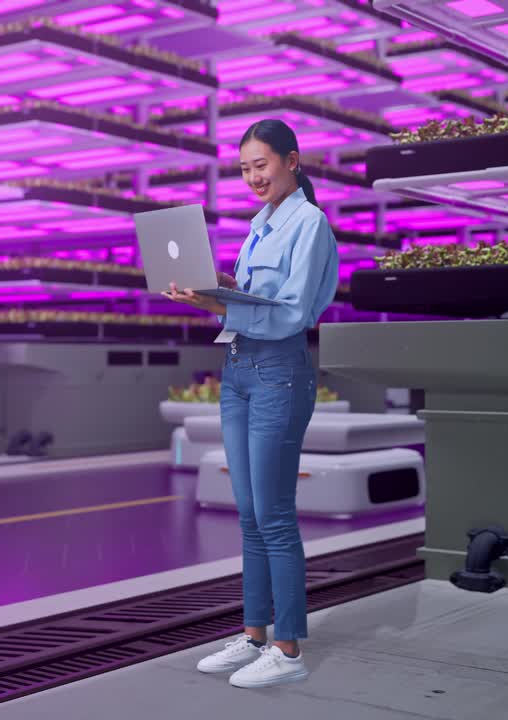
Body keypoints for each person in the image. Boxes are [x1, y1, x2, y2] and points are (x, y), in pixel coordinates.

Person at [163, 119, 339, 689]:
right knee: (249, 515)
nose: (252, 176)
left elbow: (290, 313)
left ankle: (288, 652)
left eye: (261, 164)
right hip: (238, 370)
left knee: (275, 515)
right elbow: (253, 293)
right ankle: (255, 634)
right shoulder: (260, 224)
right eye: (243, 168)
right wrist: (213, 286)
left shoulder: (309, 224)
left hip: (278, 374)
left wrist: (218, 307)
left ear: (292, 160)